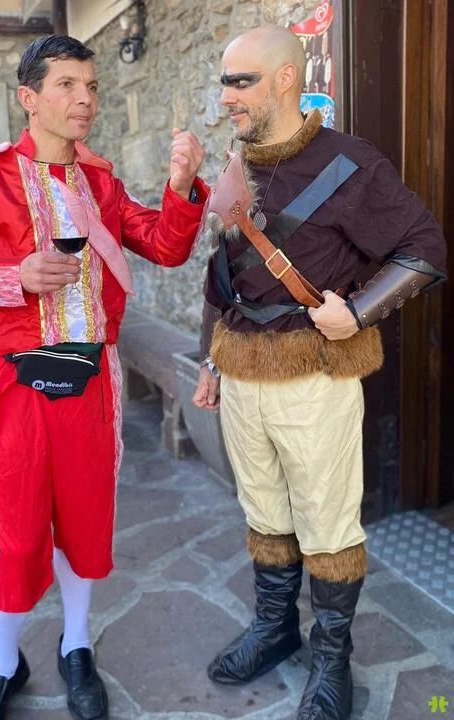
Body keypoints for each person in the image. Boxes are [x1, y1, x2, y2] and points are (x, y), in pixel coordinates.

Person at [0, 35, 207, 720]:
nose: (85, 99)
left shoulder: (100, 183)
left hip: (90, 378)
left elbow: (165, 246)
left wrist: (181, 185)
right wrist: (11, 277)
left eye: (92, 86)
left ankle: (77, 645)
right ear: (29, 98)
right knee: (18, 531)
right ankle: (4, 661)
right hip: (16, 381)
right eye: (68, 85)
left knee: (85, 520)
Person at [193, 24, 446, 720]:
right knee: (264, 513)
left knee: (327, 528)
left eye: (241, 81)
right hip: (241, 375)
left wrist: (359, 312)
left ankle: (332, 660)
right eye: (224, 81)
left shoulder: (350, 163)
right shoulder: (238, 160)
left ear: (284, 80)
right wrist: (210, 357)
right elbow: (222, 271)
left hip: (315, 378)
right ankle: (276, 630)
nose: (227, 95)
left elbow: (424, 247)